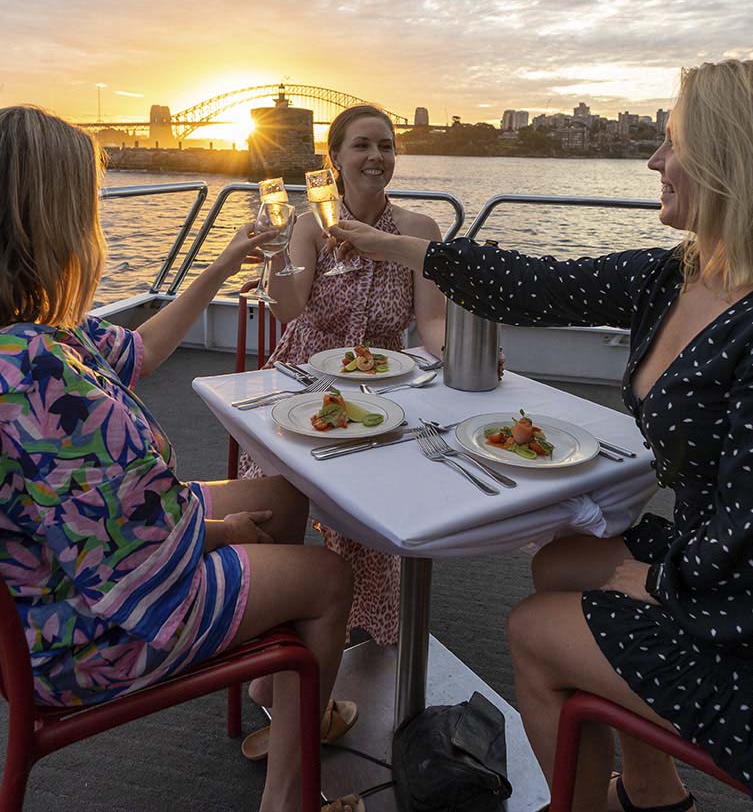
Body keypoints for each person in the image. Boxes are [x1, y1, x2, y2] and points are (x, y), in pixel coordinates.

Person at [329, 60, 753, 811]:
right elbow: (536, 283)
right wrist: (385, 243)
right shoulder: (677, 275)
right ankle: (651, 796)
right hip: (707, 564)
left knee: (532, 629)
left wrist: (658, 583)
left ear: (728, 155)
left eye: (671, 143)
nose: (652, 161)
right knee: (559, 560)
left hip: (735, 614)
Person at [0, 106, 364, 812]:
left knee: (284, 494)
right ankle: (291, 796)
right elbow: (132, 551)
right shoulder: (41, 378)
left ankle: (279, 690)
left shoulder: (40, 336)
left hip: (57, 579)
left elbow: (138, 353)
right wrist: (222, 532)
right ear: (53, 217)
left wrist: (225, 259)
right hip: (84, 634)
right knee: (326, 576)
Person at [240, 104, 447, 659]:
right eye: (361, 145)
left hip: (383, 389)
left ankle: (358, 621)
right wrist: (278, 251)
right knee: (271, 495)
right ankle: (268, 624)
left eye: (386, 146)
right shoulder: (307, 227)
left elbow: (432, 324)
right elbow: (289, 312)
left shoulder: (420, 231)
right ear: (334, 159)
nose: (376, 157)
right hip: (300, 383)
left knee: (366, 508)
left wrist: (467, 357)